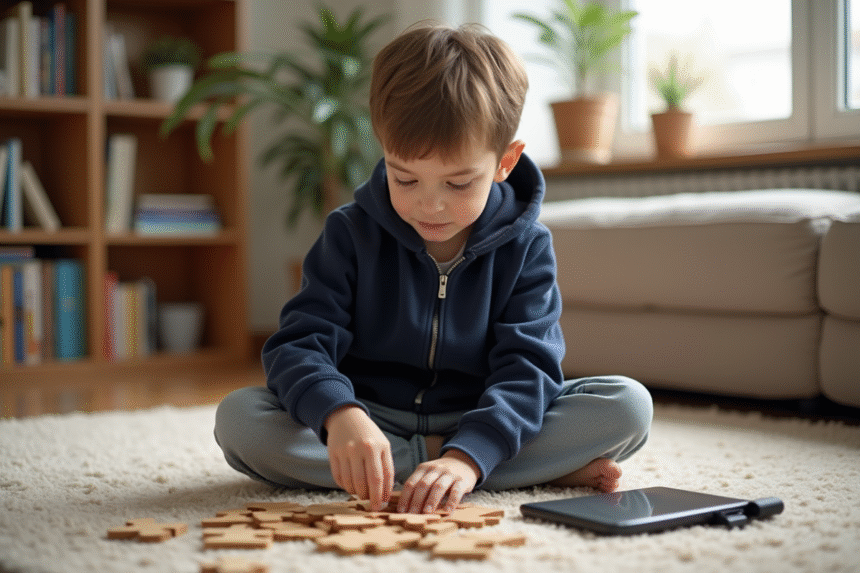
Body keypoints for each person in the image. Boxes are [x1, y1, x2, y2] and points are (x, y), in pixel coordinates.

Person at [214, 23, 653, 515]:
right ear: (383, 149)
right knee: (239, 420)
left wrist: (470, 453)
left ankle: (452, 468)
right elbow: (299, 345)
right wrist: (341, 417)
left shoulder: (527, 246)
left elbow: (529, 367)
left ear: (505, 162)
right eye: (405, 177)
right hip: (371, 416)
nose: (430, 205)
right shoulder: (349, 233)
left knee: (628, 406)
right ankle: (486, 469)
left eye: (459, 183)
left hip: (480, 412)